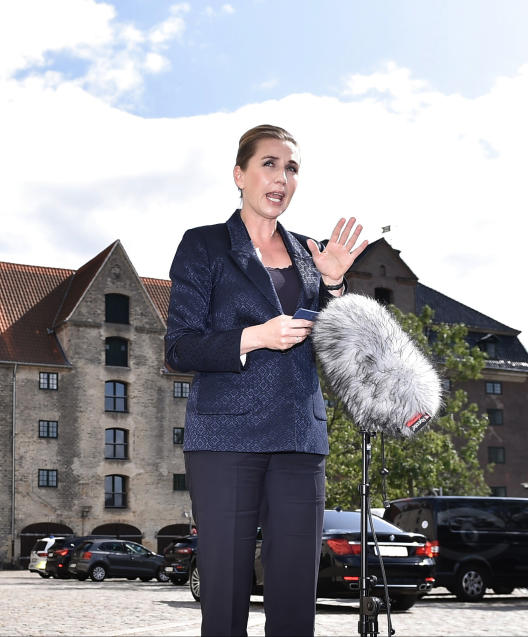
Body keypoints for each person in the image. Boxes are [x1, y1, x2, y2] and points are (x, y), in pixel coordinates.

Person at [164, 124, 367, 637]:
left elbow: (334, 344)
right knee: (226, 593)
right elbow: (179, 348)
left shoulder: (310, 252)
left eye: (291, 167)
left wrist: (335, 285)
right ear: (240, 174)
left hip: (299, 435)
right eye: (269, 164)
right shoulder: (204, 246)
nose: (281, 177)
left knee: (297, 594)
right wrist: (253, 336)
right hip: (226, 438)